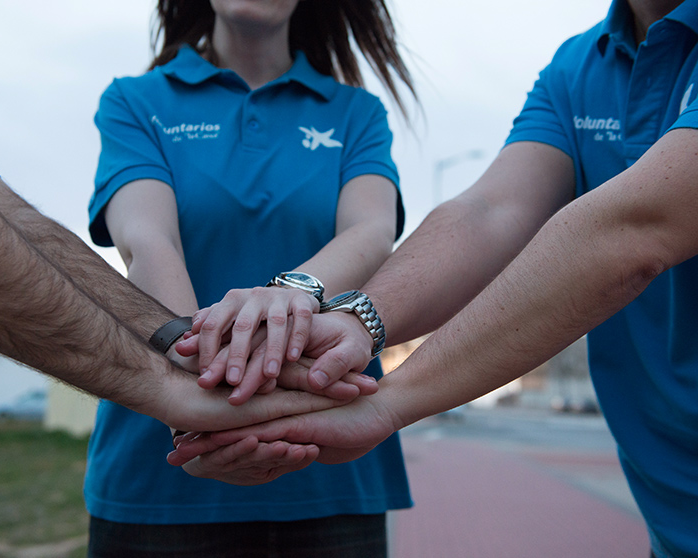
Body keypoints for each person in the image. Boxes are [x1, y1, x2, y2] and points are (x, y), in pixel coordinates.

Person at [171, 0, 698, 556]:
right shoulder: (580, 65)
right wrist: (358, 320)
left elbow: (638, 227)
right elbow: (490, 212)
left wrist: (388, 402)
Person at [0, 18, 349, 438]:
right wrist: (188, 368)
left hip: (326, 436)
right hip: (160, 457)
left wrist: (190, 342)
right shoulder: (136, 99)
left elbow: (9, 222)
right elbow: (147, 238)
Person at [83, 0, 418, 555]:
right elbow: (146, 241)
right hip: (162, 472)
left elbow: (372, 230)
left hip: (331, 471)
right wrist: (196, 400)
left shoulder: (357, 113)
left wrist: (287, 297)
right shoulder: (135, 101)